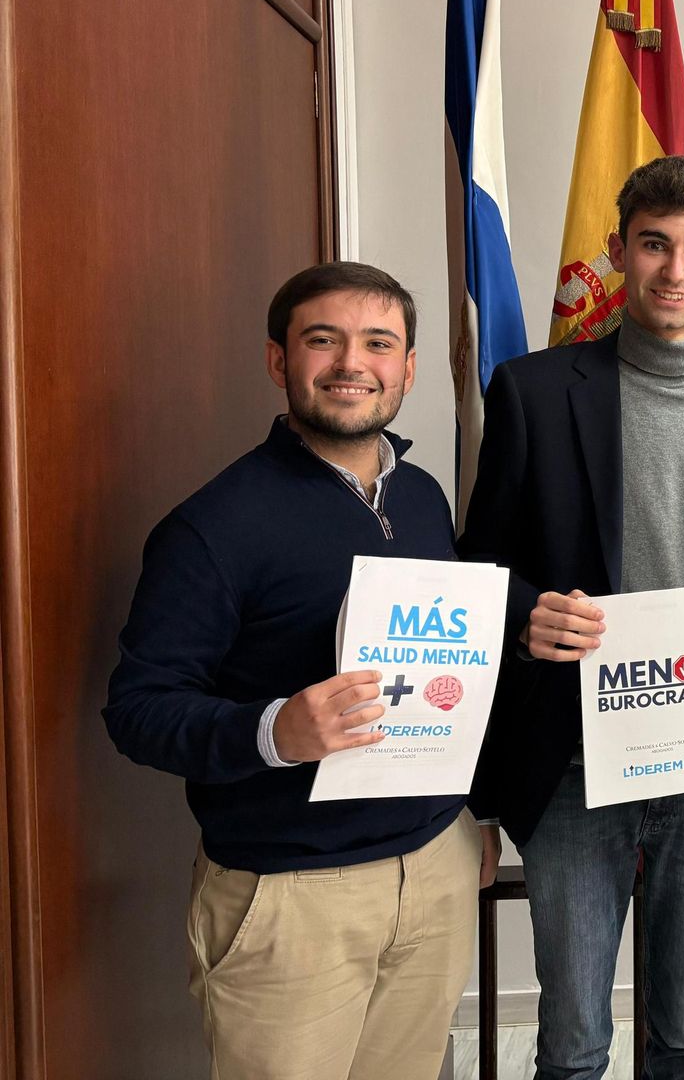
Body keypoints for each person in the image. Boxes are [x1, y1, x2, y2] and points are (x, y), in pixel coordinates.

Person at [103, 262, 494, 1080]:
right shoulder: (213, 526)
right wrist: (274, 731)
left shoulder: (422, 498)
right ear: (279, 359)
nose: (353, 363)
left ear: (408, 367)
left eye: (378, 343)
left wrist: (469, 817)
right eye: (324, 340)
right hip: (292, 896)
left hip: (434, 870)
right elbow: (138, 709)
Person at [459, 156, 684, 1079]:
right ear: (618, 251)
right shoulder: (530, 391)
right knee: (572, 1046)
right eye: (654, 245)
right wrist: (527, 616)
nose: (675, 270)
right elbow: (479, 564)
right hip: (571, 763)